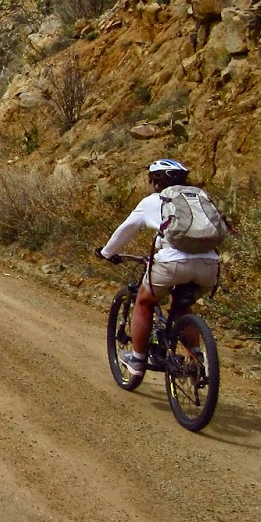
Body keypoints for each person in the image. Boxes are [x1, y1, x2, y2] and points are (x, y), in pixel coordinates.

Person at [96, 158, 221, 375]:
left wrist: (107, 252)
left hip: (172, 263)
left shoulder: (152, 201)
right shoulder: (200, 198)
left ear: (156, 181)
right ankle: (197, 359)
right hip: (209, 265)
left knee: (144, 302)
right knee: (182, 306)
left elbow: (125, 230)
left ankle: (137, 360)